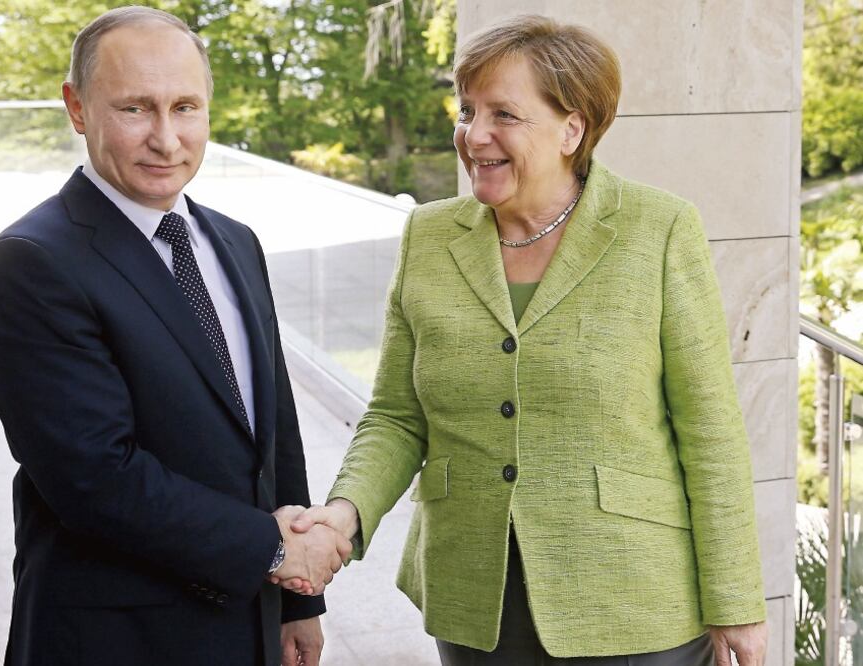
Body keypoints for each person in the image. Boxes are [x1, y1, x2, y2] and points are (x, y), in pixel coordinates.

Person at [281, 13, 768, 666]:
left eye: (502, 115)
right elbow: (399, 414)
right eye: (466, 110)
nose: (473, 135)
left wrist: (735, 599)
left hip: (633, 603)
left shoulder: (658, 229)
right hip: (475, 601)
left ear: (572, 128)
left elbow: (708, 427)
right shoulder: (429, 236)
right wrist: (343, 515)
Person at [0, 7, 349, 666]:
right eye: (136, 109)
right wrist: (277, 547)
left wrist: (298, 600)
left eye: (185, 107)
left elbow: (272, 430)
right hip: (117, 638)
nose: (167, 139)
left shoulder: (234, 240)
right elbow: (94, 478)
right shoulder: (31, 263)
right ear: (77, 107)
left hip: (249, 620)